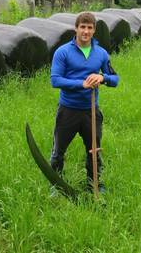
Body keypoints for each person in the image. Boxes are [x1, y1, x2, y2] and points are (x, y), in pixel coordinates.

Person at [50, 11, 119, 194]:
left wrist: (102, 78)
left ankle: (95, 183)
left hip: (90, 111)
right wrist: (81, 84)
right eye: (82, 27)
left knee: (94, 150)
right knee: (58, 150)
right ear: (76, 28)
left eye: (89, 28)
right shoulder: (63, 52)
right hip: (68, 110)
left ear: (94, 30)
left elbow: (115, 79)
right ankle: (56, 184)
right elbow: (55, 80)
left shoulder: (101, 53)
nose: (86, 31)